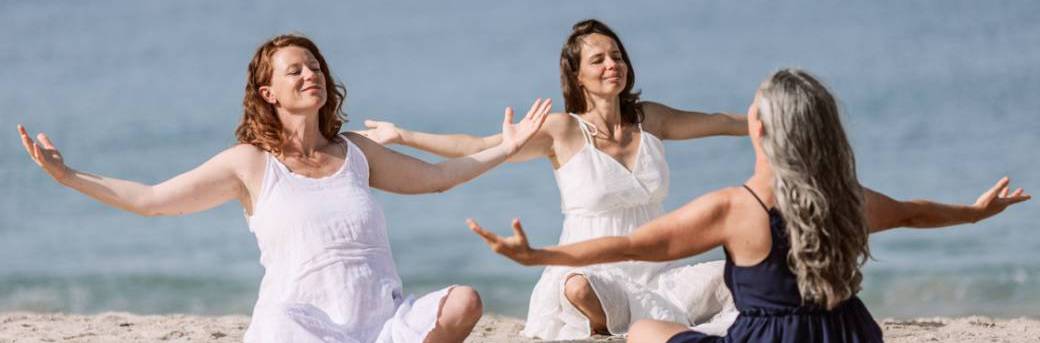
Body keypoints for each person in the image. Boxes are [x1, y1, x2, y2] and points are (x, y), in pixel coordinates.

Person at [17, 34, 552, 343]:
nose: (309, 74)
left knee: (465, 301)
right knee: (276, 323)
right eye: (294, 70)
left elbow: (437, 180)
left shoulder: (356, 152)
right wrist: (69, 176)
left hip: (381, 324)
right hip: (304, 327)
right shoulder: (251, 164)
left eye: (314, 65)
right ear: (268, 92)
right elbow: (154, 201)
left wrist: (506, 148)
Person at [467, 68, 1030, 343]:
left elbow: (636, 243)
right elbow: (913, 212)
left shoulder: (740, 206)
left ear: (756, 129)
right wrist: (976, 214)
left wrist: (540, 255)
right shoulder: (848, 199)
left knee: (642, 334)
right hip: (848, 335)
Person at [361, 19, 745, 339]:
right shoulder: (562, 130)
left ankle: (634, 323)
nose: (612, 64)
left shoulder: (650, 119)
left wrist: (776, 119)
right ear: (577, 77)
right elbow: (475, 144)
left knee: (735, 275)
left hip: (659, 271)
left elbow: (719, 122)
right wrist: (403, 135)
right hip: (591, 272)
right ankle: (606, 329)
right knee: (578, 288)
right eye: (598, 60)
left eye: (617, 56)